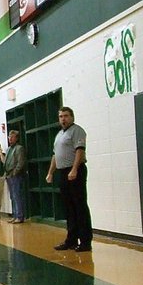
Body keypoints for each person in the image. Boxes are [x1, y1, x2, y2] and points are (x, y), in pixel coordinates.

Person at [46, 106, 93, 252]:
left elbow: (80, 151)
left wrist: (74, 169)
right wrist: (50, 172)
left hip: (74, 171)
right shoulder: (59, 134)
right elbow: (55, 155)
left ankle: (85, 241)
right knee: (68, 207)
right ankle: (71, 239)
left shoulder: (77, 130)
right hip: (62, 172)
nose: (63, 119)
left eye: (66, 116)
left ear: (71, 117)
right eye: (60, 116)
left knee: (79, 206)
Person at [4, 130, 28, 224]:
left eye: (12, 137)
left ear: (17, 138)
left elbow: (20, 162)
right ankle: (14, 215)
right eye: (9, 137)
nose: (10, 139)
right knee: (12, 197)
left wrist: (15, 172)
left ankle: (20, 216)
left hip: (16, 175)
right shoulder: (8, 149)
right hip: (8, 175)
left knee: (17, 196)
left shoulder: (19, 148)